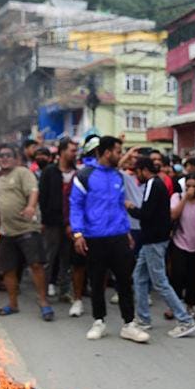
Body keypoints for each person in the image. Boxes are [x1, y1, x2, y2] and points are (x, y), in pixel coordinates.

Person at [70, 136, 149, 343]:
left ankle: (129, 324)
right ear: (106, 152)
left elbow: (119, 207)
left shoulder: (117, 175)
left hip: (119, 237)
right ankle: (99, 321)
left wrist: (127, 232)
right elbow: (75, 206)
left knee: (124, 281)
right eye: (117, 151)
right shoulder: (84, 175)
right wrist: (78, 233)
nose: (120, 155)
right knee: (97, 282)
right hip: (94, 238)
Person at [126, 156, 195, 338]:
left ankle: (185, 320)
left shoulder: (152, 184)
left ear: (143, 170)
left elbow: (146, 214)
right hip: (153, 239)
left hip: (154, 241)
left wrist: (130, 207)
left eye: (137, 172)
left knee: (159, 281)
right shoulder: (156, 184)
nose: (136, 177)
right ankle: (143, 318)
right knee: (139, 276)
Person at [0, 145, 52, 321]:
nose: (4, 158)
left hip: (27, 229)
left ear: (16, 158)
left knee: (36, 266)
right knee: (8, 269)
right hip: (6, 231)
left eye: (8, 155)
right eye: (1, 155)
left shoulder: (22, 173)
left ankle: (43, 302)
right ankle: (13, 303)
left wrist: (31, 206)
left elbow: (33, 191)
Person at [39, 138, 86, 315]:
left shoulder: (78, 173)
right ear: (62, 152)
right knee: (49, 258)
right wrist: (43, 221)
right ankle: (43, 294)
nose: (75, 153)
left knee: (68, 258)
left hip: (71, 223)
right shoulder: (49, 172)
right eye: (72, 150)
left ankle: (64, 291)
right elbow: (43, 197)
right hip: (52, 222)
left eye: (76, 150)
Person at [169, 172, 195, 319]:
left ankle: (190, 306)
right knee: (177, 275)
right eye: (188, 186)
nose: (191, 188)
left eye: (194, 186)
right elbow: (173, 215)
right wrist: (185, 197)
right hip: (179, 242)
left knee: (193, 277)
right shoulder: (176, 197)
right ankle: (174, 306)